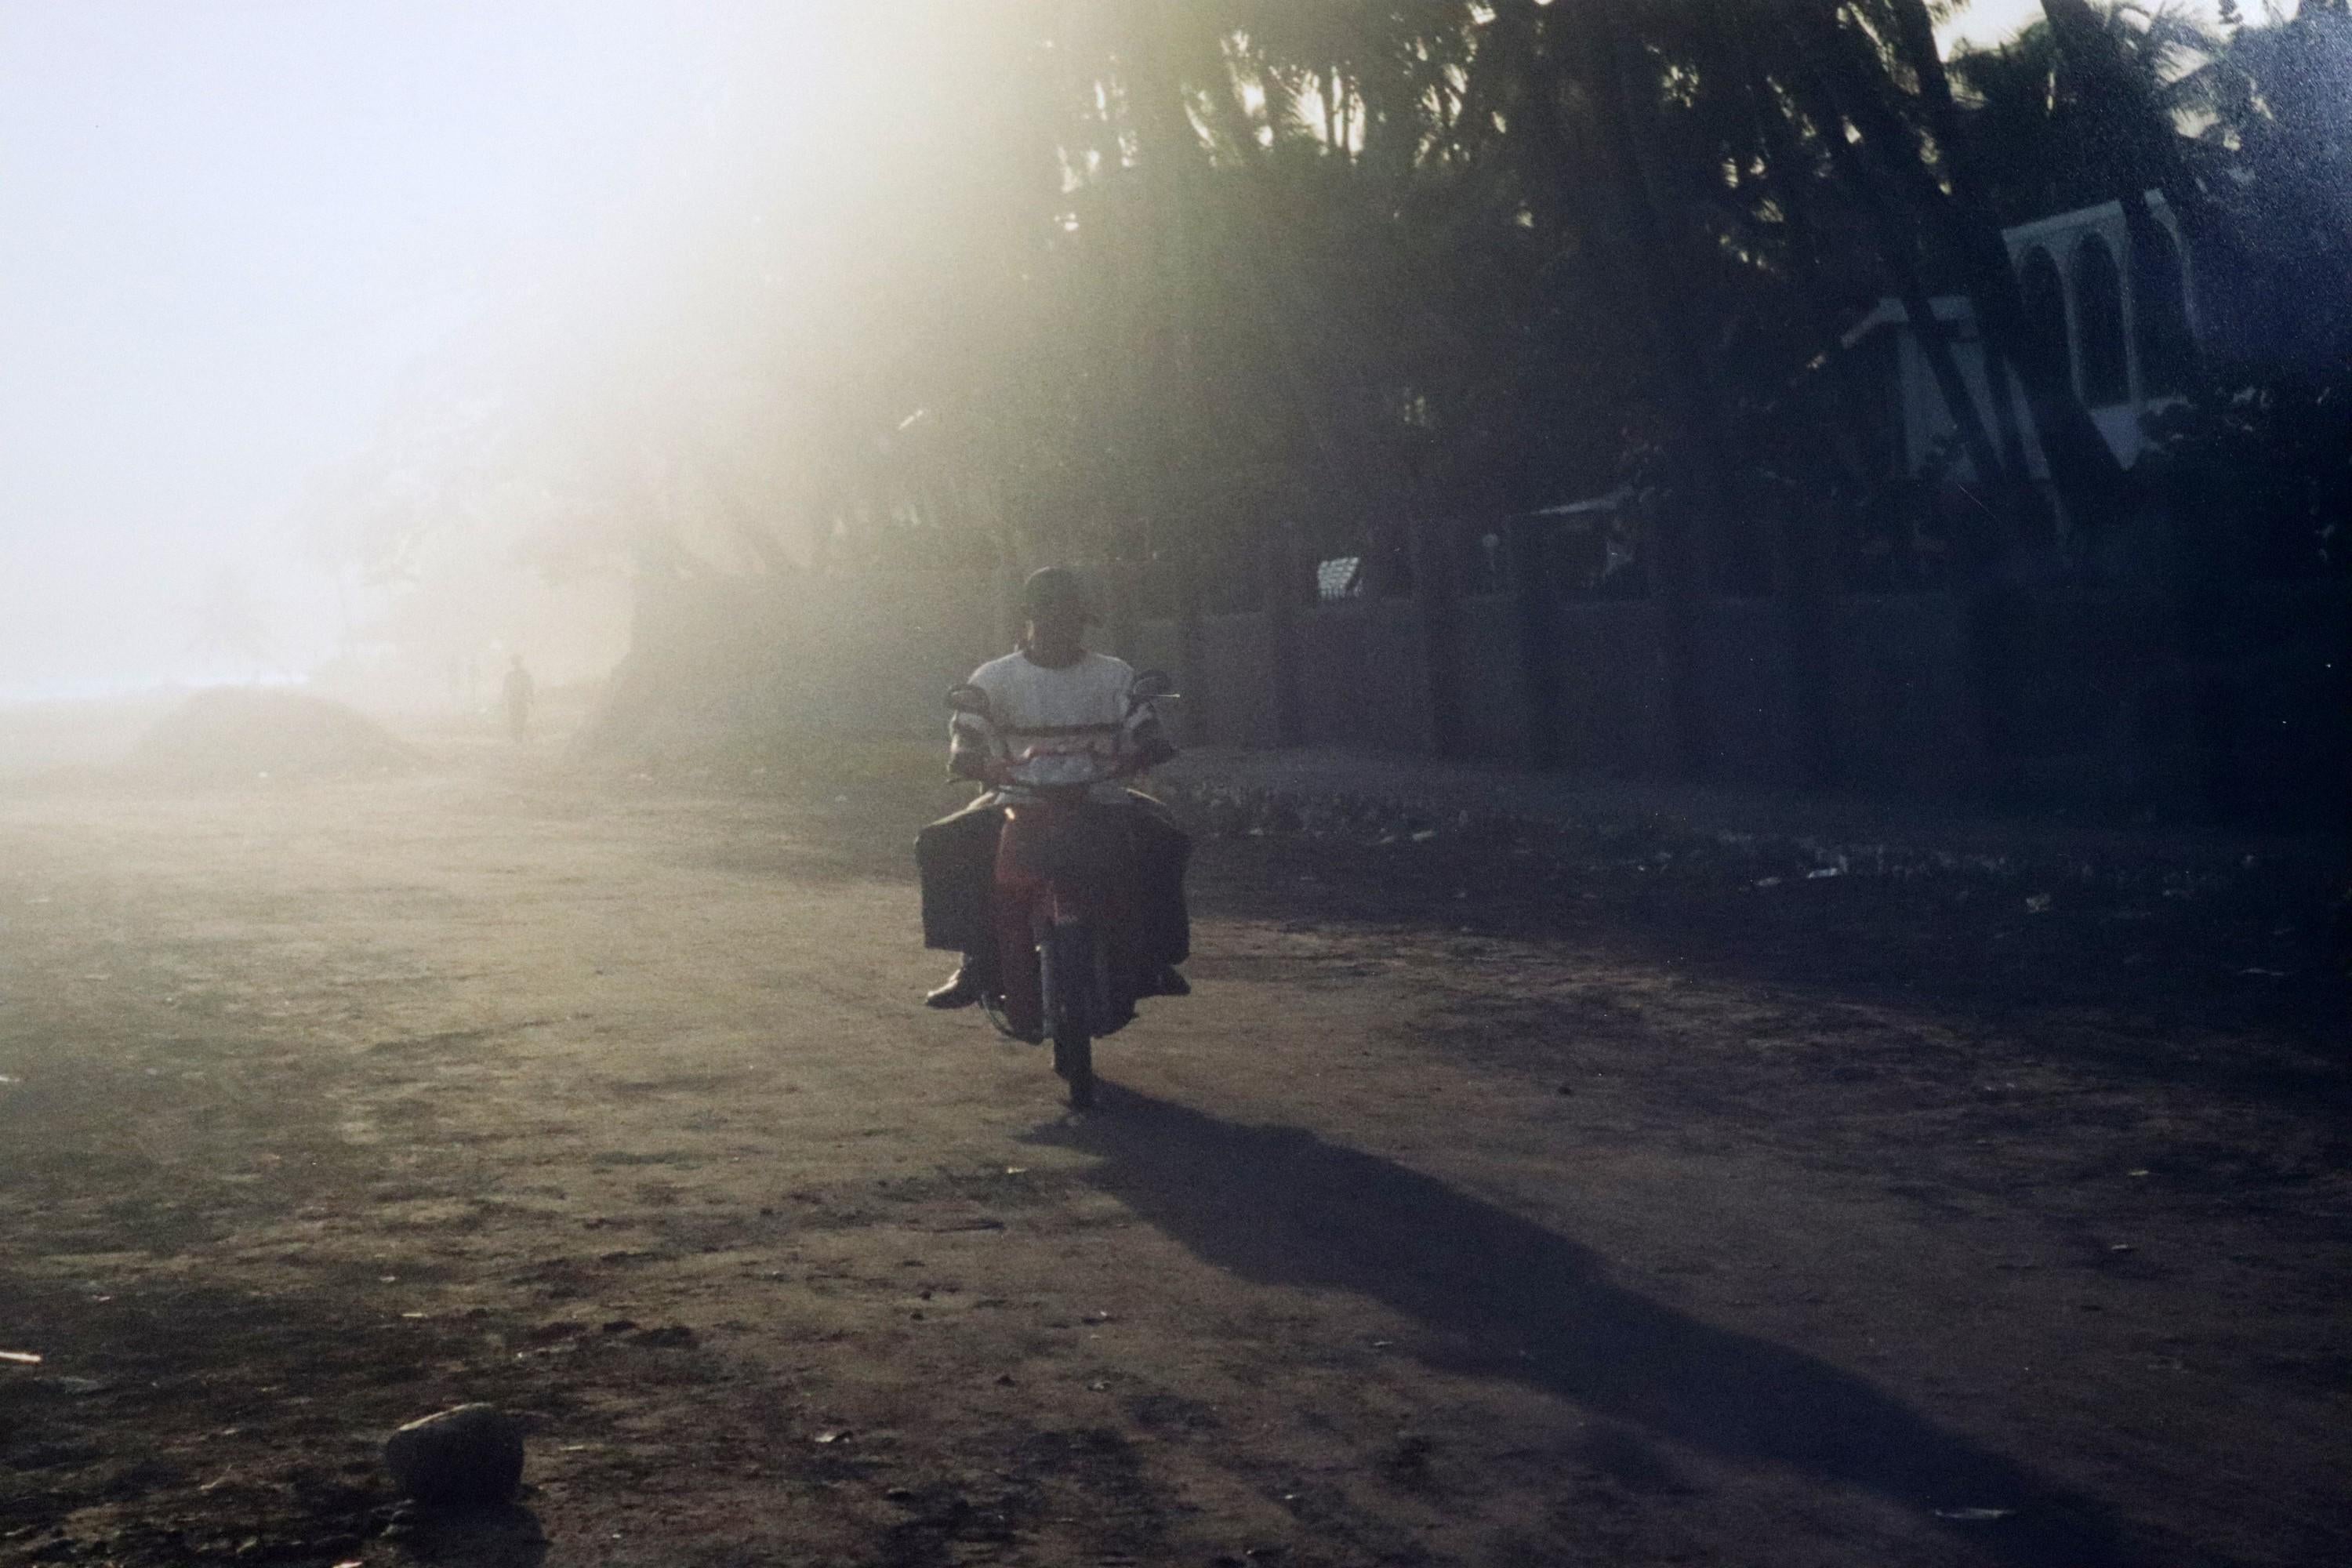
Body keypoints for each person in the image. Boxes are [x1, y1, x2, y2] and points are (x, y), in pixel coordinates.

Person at [917, 566, 1190, 1015]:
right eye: (1050, 614)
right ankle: (978, 961)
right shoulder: (994, 677)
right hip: (1018, 801)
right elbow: (967, 730)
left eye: (1071, 616)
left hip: (1101, 800)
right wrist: (972, 759)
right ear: (1029, 617)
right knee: (941, 844)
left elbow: (1142, 725)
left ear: (1083, 621)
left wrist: (1146, 749)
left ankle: (1153, 958)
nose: (1061, 626)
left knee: (1167, 840)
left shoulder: (1113, 675)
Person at [502, 655, 535, 742]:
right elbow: (529, 686)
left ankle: (517, 735)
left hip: (515, 699)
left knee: (516, 717)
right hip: (519, 699)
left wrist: (504, 699)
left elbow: (505, 689)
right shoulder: (524, 674)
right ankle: (518, 735)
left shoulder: (510, 675)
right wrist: (531, 697)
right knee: (520, 717)